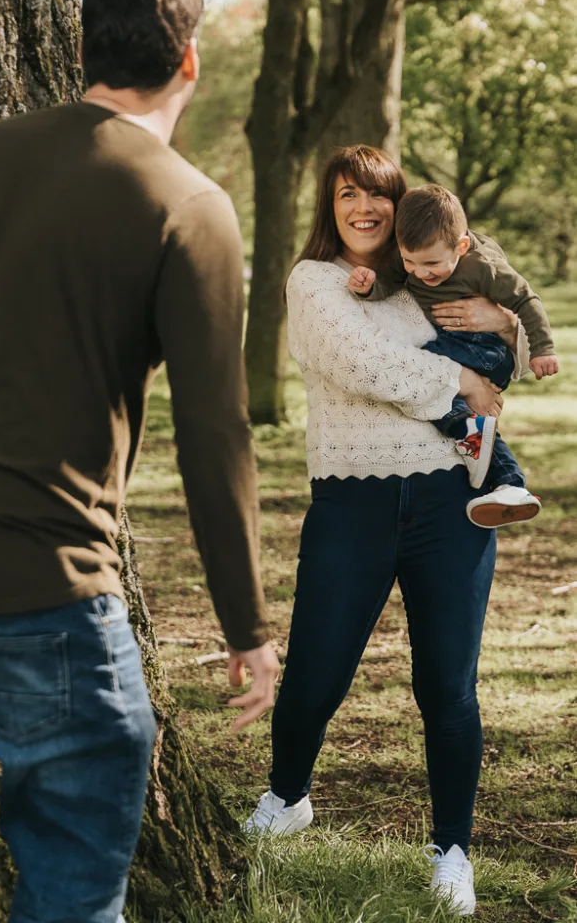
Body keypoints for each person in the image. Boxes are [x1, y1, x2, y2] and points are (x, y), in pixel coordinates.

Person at [0, 0, 278, 923]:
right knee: (71, 894)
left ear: (78, 45)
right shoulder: (188, 206)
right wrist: (246, 626)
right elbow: (212, 432)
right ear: (188, 59)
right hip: (43, 600)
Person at [245, 146, 530, 917]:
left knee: (447, 686)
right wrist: (456, 384)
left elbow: (502, 351)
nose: (364, 208)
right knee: (315, 672)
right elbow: (359, 362)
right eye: (347, 195)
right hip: (351, 504)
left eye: (377, 195)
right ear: (328, 206)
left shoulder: (428, 280)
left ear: (400, 207)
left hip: (452, 504)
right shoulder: (313, 282)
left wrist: (500, 330)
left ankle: (452, 850)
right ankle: (288, 796)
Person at [348, 183, 558, 527]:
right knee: (441, 393)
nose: (420, 273)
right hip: (458, 351)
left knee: (416, 363)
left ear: (460, 246)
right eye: (409, 261)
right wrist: (369, 288)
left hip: (487, 351)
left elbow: (526, 301)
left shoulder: (484, 267)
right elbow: (393, 282)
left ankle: (470, 433)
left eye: (431, 264)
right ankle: (507, 482)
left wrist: (542, 349)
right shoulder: (415, 258)